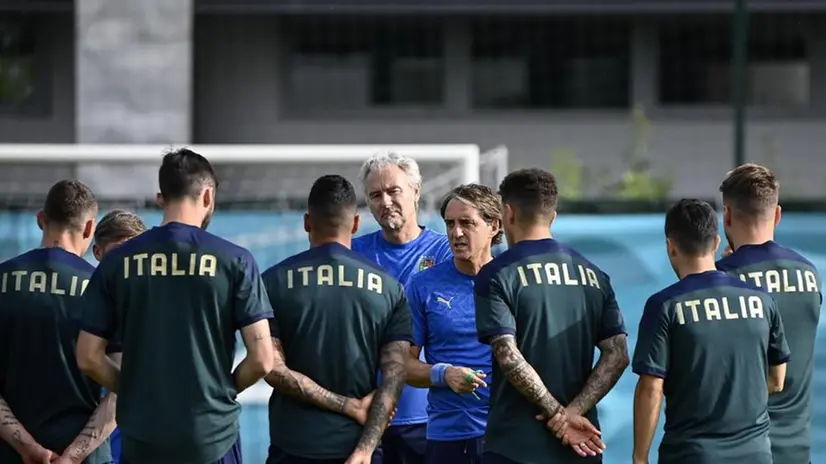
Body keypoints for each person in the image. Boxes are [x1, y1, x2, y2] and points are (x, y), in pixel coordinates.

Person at [76, 148, 275, 464]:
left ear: (160, 197)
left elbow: (88, 357)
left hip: (144, 437)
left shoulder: (116, 262)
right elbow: (263, 360)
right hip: (212, 436)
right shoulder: (236, 261)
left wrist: (133, 391)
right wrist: (221, 391)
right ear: (207, 196)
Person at [474, 168, 626, 463]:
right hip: (581, 444)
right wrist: (573, 413)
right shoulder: (595, 275)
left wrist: (558, 416)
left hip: (514, 446)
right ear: (552, 216)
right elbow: (617, 355)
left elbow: (507, 354)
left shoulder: (497, 274)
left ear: (508, 213)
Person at [263, 175, 411, 464]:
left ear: (307, 222)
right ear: (355, 224)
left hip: (293, 448)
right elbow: (394, 377)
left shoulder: (272, 282)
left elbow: (272, 368)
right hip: (358, 449)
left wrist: (348, 406)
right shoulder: (389, 288)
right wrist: (365, 451)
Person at [632, 199, 790, 464]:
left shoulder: (665, 305)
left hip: (691, 454)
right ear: (716, 243)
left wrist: (640, 457)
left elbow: (651, 389)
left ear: (671, 248)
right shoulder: (762, 300)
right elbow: (777, 379)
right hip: (756, 454)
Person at [0, 180, 117, 464]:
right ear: (90, 228)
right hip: (86, 457)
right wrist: (73, 456)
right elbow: (123, 390)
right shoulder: (106, 289)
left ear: (41, 219)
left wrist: (27, 447)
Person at [715, 164, 822, 464]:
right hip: (798, 451)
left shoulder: (719, 281)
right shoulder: (809, 273)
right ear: (776, 215)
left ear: (727, 215)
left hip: (739, 449)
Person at [353, 151, 452, 464]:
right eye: (375, 195)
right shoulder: (353, 253)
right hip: (365, 414)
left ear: (416, 191)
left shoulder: (447, 251)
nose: (385, 201)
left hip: (430, 419)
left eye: (393, 191)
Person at [405, 184, 501, 464]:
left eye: (467, 223)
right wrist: (443, 374)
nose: (456, 233)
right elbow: (402, 364)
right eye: (450, 224)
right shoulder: (423, 285)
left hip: (507, 435)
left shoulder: (513, 280)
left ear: (493, 226)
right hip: (447, 437)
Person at [91, 209, 148, 464]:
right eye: (118, 254)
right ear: (98, 253)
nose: (127, 263)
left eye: (134, 254)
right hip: (92, 432)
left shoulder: (158, 305)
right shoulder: (83, 302)